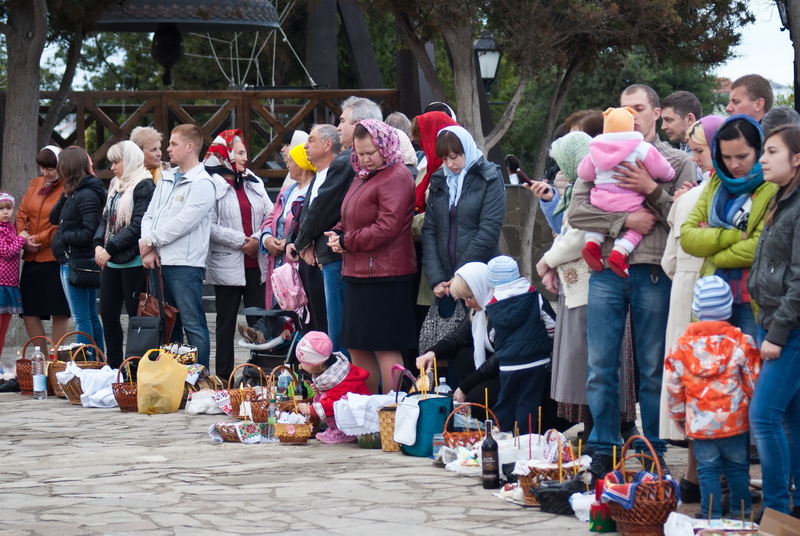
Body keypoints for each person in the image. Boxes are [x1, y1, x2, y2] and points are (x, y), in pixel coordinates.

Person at [566, 83, 695, 479]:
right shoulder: (600, 152)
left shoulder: (677, 160)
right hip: (606, 268)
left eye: (640, 108)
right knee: (601, 364)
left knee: (653, 367)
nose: (633, 115)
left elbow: (682, 217)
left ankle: (652, 449)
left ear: (656, 113)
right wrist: (623, 221)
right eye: (625, 109)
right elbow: (576, 212)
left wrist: (652, 190)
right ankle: (603, 447)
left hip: (653, 269)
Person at [659, 115, 725, 501]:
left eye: (699, 150)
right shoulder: (700, 196)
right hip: (708, 290)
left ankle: (694, 477)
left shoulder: (689, 198)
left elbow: (670, 259)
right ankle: (701, 476)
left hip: (686, 290)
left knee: (694, 384)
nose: (694, 157)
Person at [325, 119, 416, 394]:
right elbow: (350, 214)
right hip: (358, 271)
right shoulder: (362, 175)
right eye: (360, 153)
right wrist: (337, 232)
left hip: (387, 274)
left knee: (386, 346)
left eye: (370, 153)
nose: (365, 159)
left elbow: (386, 227)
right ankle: (365, 412)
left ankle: (391, 413)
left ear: (385, 147)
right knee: (357, 344)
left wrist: (346, 241)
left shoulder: (398, 176)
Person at [665, 276, 760, 520]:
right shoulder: (741, 342)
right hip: (735, 422)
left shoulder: (681, 347)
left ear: (696, 310)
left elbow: (674, 387)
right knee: (738, 468)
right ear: (729, 309)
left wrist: (678, 415)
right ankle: (742, 512)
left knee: (707, 469)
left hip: (700, 424)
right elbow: (753, 381)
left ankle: (711, 514)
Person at [680, 115, 778, 339]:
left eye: (742, 156)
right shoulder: (715, 182)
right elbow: (687, 237)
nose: (734, 165)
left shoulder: (772, 185)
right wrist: (736, 236)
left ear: (759, 150)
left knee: (752, 370)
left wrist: (713, 253)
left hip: (753, 302)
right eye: (726, 157)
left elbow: (760, 247)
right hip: (711, 304)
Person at [748, 124, 800, 518]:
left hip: (790, 328)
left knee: (763, 416)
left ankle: (777, 510)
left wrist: (778, 333)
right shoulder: (780, 197)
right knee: (788, 417)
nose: (762, 158)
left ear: (796, 158)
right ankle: (793, 509)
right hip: (773, 322)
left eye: (771, 151)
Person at [140, 124, 216, 369]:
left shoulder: (203, 183)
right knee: (167, 325)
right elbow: (149, 215)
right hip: (159, 261)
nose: (167, 149)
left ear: (190, 147)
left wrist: (151, 242)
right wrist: (147, 245)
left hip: (185, 264)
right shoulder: (167, 178)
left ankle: (198, 379)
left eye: (173, 144)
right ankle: (171, 377)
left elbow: (183, 222)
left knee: (193, 325)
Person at [204, 129, 272, 380]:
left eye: (244, 152)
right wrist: (241, 241)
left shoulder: (253, 180)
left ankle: (259, 373)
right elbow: (208, 226)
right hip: (227, 265)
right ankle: (224, 376)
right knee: (225, 325)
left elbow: (270, 214)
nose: (245, 158)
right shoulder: (211, 183)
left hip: (256, 264)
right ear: (227, 155)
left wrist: (257, 239)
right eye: (240, 153)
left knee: (260, 324)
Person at [579, 106, 675, 277]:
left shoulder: (595, 149)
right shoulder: (641, 148)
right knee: (644, 219)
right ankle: (620, 252)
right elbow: (661, 169)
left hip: (600, 200)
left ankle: (592, 245)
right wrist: (669, 175)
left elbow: (584, 174)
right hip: (629, 202)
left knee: (598, 218)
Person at [422, 125, 505, 308]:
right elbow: (430, 230)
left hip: (480, 277)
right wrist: (436, 278)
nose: (450, 164)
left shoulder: (489, 177)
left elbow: (489, 230)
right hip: (446, 284)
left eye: (454, 157)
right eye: (444, 159)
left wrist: (460, 275)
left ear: (466, 149)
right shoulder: (439, 179)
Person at [290, 124, 353, 352]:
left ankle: (337, 374)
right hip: (314, 255)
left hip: (329, 256)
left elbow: (321, 213)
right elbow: (305, 213)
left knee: (333, 323)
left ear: (328, 145)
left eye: (312, 140)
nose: (306, 146)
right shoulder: (319, 175)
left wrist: (302, 243)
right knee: (317, 320)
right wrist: (300, 242)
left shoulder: (337, 170)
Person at [93, 140, 155, 367]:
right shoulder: (115, 184)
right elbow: (104, 219)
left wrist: (109, 249)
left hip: (133, 262)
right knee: (108, 316)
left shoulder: (145, 184)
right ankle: (114, 367)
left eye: (116, 161)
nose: (112, 167)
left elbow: (138, 225)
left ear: (129, 160)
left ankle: (135, 368)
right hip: (111, 262)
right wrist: (98, 245)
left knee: (135, 319)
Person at [416, 262, 501, 418]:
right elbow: (458, 337)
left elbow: (499, 359)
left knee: (474, 400)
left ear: (481, 288)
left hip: (507, 371)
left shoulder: (499, 310)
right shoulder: (478, 311)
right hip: (491, 368)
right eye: (464, 299)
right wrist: (432, 353)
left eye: (469, 297)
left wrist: (464, 387)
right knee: (463, 356)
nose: (467, 303)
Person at [484, 256, 555, 432]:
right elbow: (553, 325)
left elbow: (491, 337)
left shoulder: (493, 306)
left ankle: (500, 436)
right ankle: (527, 440)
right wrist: (546, 341)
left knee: (506, 400)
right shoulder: (535, 297)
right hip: (536, 361)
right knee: (529, 402)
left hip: (508, 363)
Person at [50, 147, 106, 352]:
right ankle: (98, 360)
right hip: (73, 259)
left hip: (77, 261)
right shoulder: (74, 192)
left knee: (82, 318)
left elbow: (91, 231)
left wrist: (65, 237)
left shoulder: (86, 195)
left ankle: (90, 362)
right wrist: (65, 194)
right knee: (90, 316)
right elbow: (54, 218)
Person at [16, 146, 70, 346]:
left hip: (54, 257)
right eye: (42, 168)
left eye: (50, 169)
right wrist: (23, 237)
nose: (45, 173)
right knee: (28, 310)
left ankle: (56, 363)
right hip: (31, 258)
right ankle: (43, 360)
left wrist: (34, 240)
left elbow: (59, 224)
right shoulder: (35, 183)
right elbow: (22, 214)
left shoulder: (67, 187)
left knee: (59, 309)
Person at [261, 143, 314, 308]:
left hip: (296, 261)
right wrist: (267, 239)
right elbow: (270, 219)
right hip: (277, 261)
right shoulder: (286, 192)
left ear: (301, 164)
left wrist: (289, 241)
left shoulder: (313, 192)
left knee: (298, 308)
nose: (287, 164)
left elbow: (310, 223)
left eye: (291, 161)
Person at [295, 331, 371, 444]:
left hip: (359, 417)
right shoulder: (335, 372)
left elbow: (334, 402)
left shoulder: (341, 381)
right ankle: (336, 429)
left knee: (329, 401)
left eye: (303, 363)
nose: (300, 366)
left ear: (317, 363)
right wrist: (319, 391)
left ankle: (343, 432)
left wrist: (310, 409)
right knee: (322, 397)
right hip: (351, 410)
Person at [0, 194, 27, 353]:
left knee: (3, 329)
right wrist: (21, 239)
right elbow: (7, 251)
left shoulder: (11, 228)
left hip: (10, 283)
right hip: (0, 284)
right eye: (1, 208)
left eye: (8, 208)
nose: (5, 212)